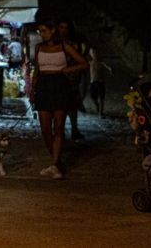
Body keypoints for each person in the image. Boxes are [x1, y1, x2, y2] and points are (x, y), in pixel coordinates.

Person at [30, 21, 88, 179]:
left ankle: (55, 163)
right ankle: (55, 159)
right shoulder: (39, 47)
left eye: (44, 30)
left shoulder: (65, 46)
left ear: (52, 30)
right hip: (43, 86)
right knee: (45, 129)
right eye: (40, 31)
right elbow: (37, 69)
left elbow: (83, 63)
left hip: (60, 85)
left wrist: (68, 70)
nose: (42, 34)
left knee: (59, 127)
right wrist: (32, 89)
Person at [56, 18, 86, 141]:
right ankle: (60, 131)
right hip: (58, 76)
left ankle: (74, 129)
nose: (63, 30)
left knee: (72, 105)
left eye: (66, 27)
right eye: (61, 27)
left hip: (71, 76)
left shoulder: (72, 43)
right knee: (60, 106)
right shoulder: (55, 42)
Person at [87, 42, 111, 117]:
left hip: (100, 81)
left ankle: (100, 112)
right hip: (93, 82)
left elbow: (108, 67)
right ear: (90, 53)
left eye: (95, 52)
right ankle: (97, 107)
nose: (94, 53)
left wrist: (111, 69)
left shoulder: (101, 62)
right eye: (92, 52)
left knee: (101, 98)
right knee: (92, 97)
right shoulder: (90, 62)